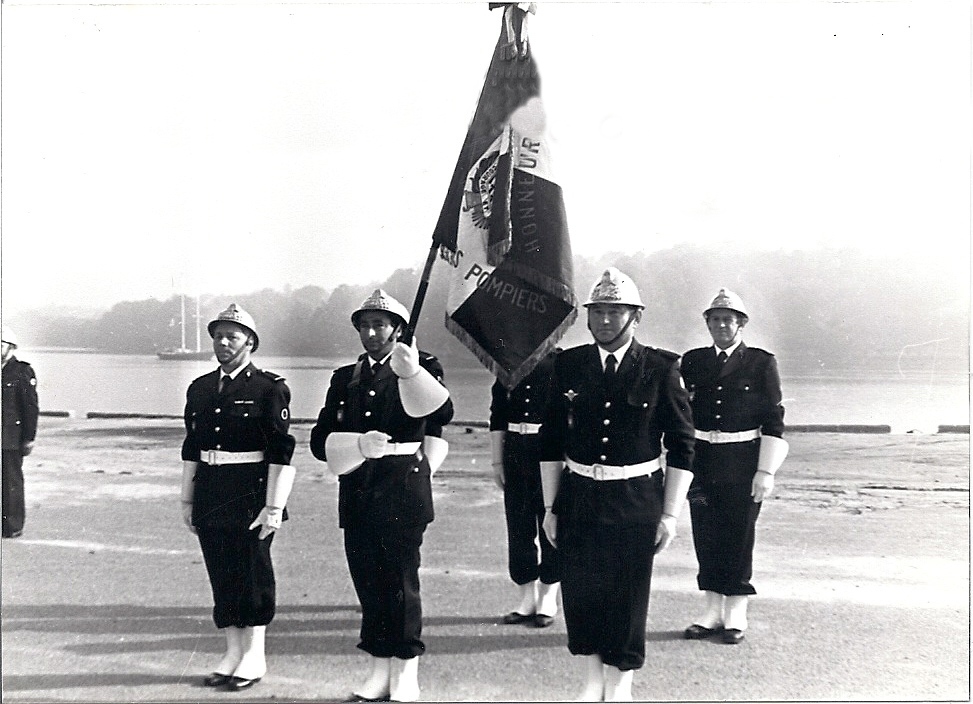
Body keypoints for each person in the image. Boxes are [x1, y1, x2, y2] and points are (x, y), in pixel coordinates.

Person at [538, 268, 696, 702]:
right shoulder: (568, 365)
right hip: (578, 497)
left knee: (627, 596)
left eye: (616, 312)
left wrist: (670, 514)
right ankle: (593, 683)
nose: (605, 320)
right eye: (598, 312)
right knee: (582, 592)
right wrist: (550, 508)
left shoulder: (661, 368)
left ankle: (620, 686)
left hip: (635, 499)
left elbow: (683, 446)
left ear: (636, 316)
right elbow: (551, 440)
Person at [309, 289, 453, 703]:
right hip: (358, 491)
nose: (371, 333)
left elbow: (442, 415)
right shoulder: (345, 377)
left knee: (401, 584)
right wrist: (355, 444)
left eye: (380, 325)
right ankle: (378, 669)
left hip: (403, 490)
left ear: (398, 330)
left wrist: (412, 374)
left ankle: (406, 671)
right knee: (368, 584)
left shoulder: (423, 365)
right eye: (365, 326)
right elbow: (319, 441)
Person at [179, 303, 296, 691]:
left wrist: (274, 507)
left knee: (251, 573)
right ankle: (232, 654)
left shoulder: (269, 388)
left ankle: (254, 657)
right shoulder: (199, 388)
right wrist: (187, 499)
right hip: (211, 490)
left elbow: (280, 451)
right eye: (218, 336)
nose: (223, 343)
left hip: (250, 493)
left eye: (232, 336)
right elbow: (192, 445)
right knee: (221, 573)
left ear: (250, 343)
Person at [680, 289, 787, 645]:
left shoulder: (760, 363)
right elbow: (680, 412)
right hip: (701, 464)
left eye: (728, 320)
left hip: (743, 463)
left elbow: (774, 419)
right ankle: (712, 612)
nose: (722, 325)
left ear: (741, 324)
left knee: (739, 537)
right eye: (715, 319)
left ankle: (736, 613)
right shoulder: (693, 361)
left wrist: (765, 471)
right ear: (707, 324)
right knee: (705, 534)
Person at [489, 350, 561, 628]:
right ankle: (526, 596)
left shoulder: (560, 363)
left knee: (550, 525)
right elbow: (497, 414)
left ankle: (548, 596)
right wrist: (497, 461)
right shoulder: (507, 365)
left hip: (548, 450)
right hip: (515, 452)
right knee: (518, 526)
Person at [2, 327, 39, 539]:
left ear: (11, 348)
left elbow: (30, 408)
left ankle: (12, 526)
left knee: (11, 483)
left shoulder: (21, 372)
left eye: (1, 344)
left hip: (10, 437)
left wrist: (29, 438)